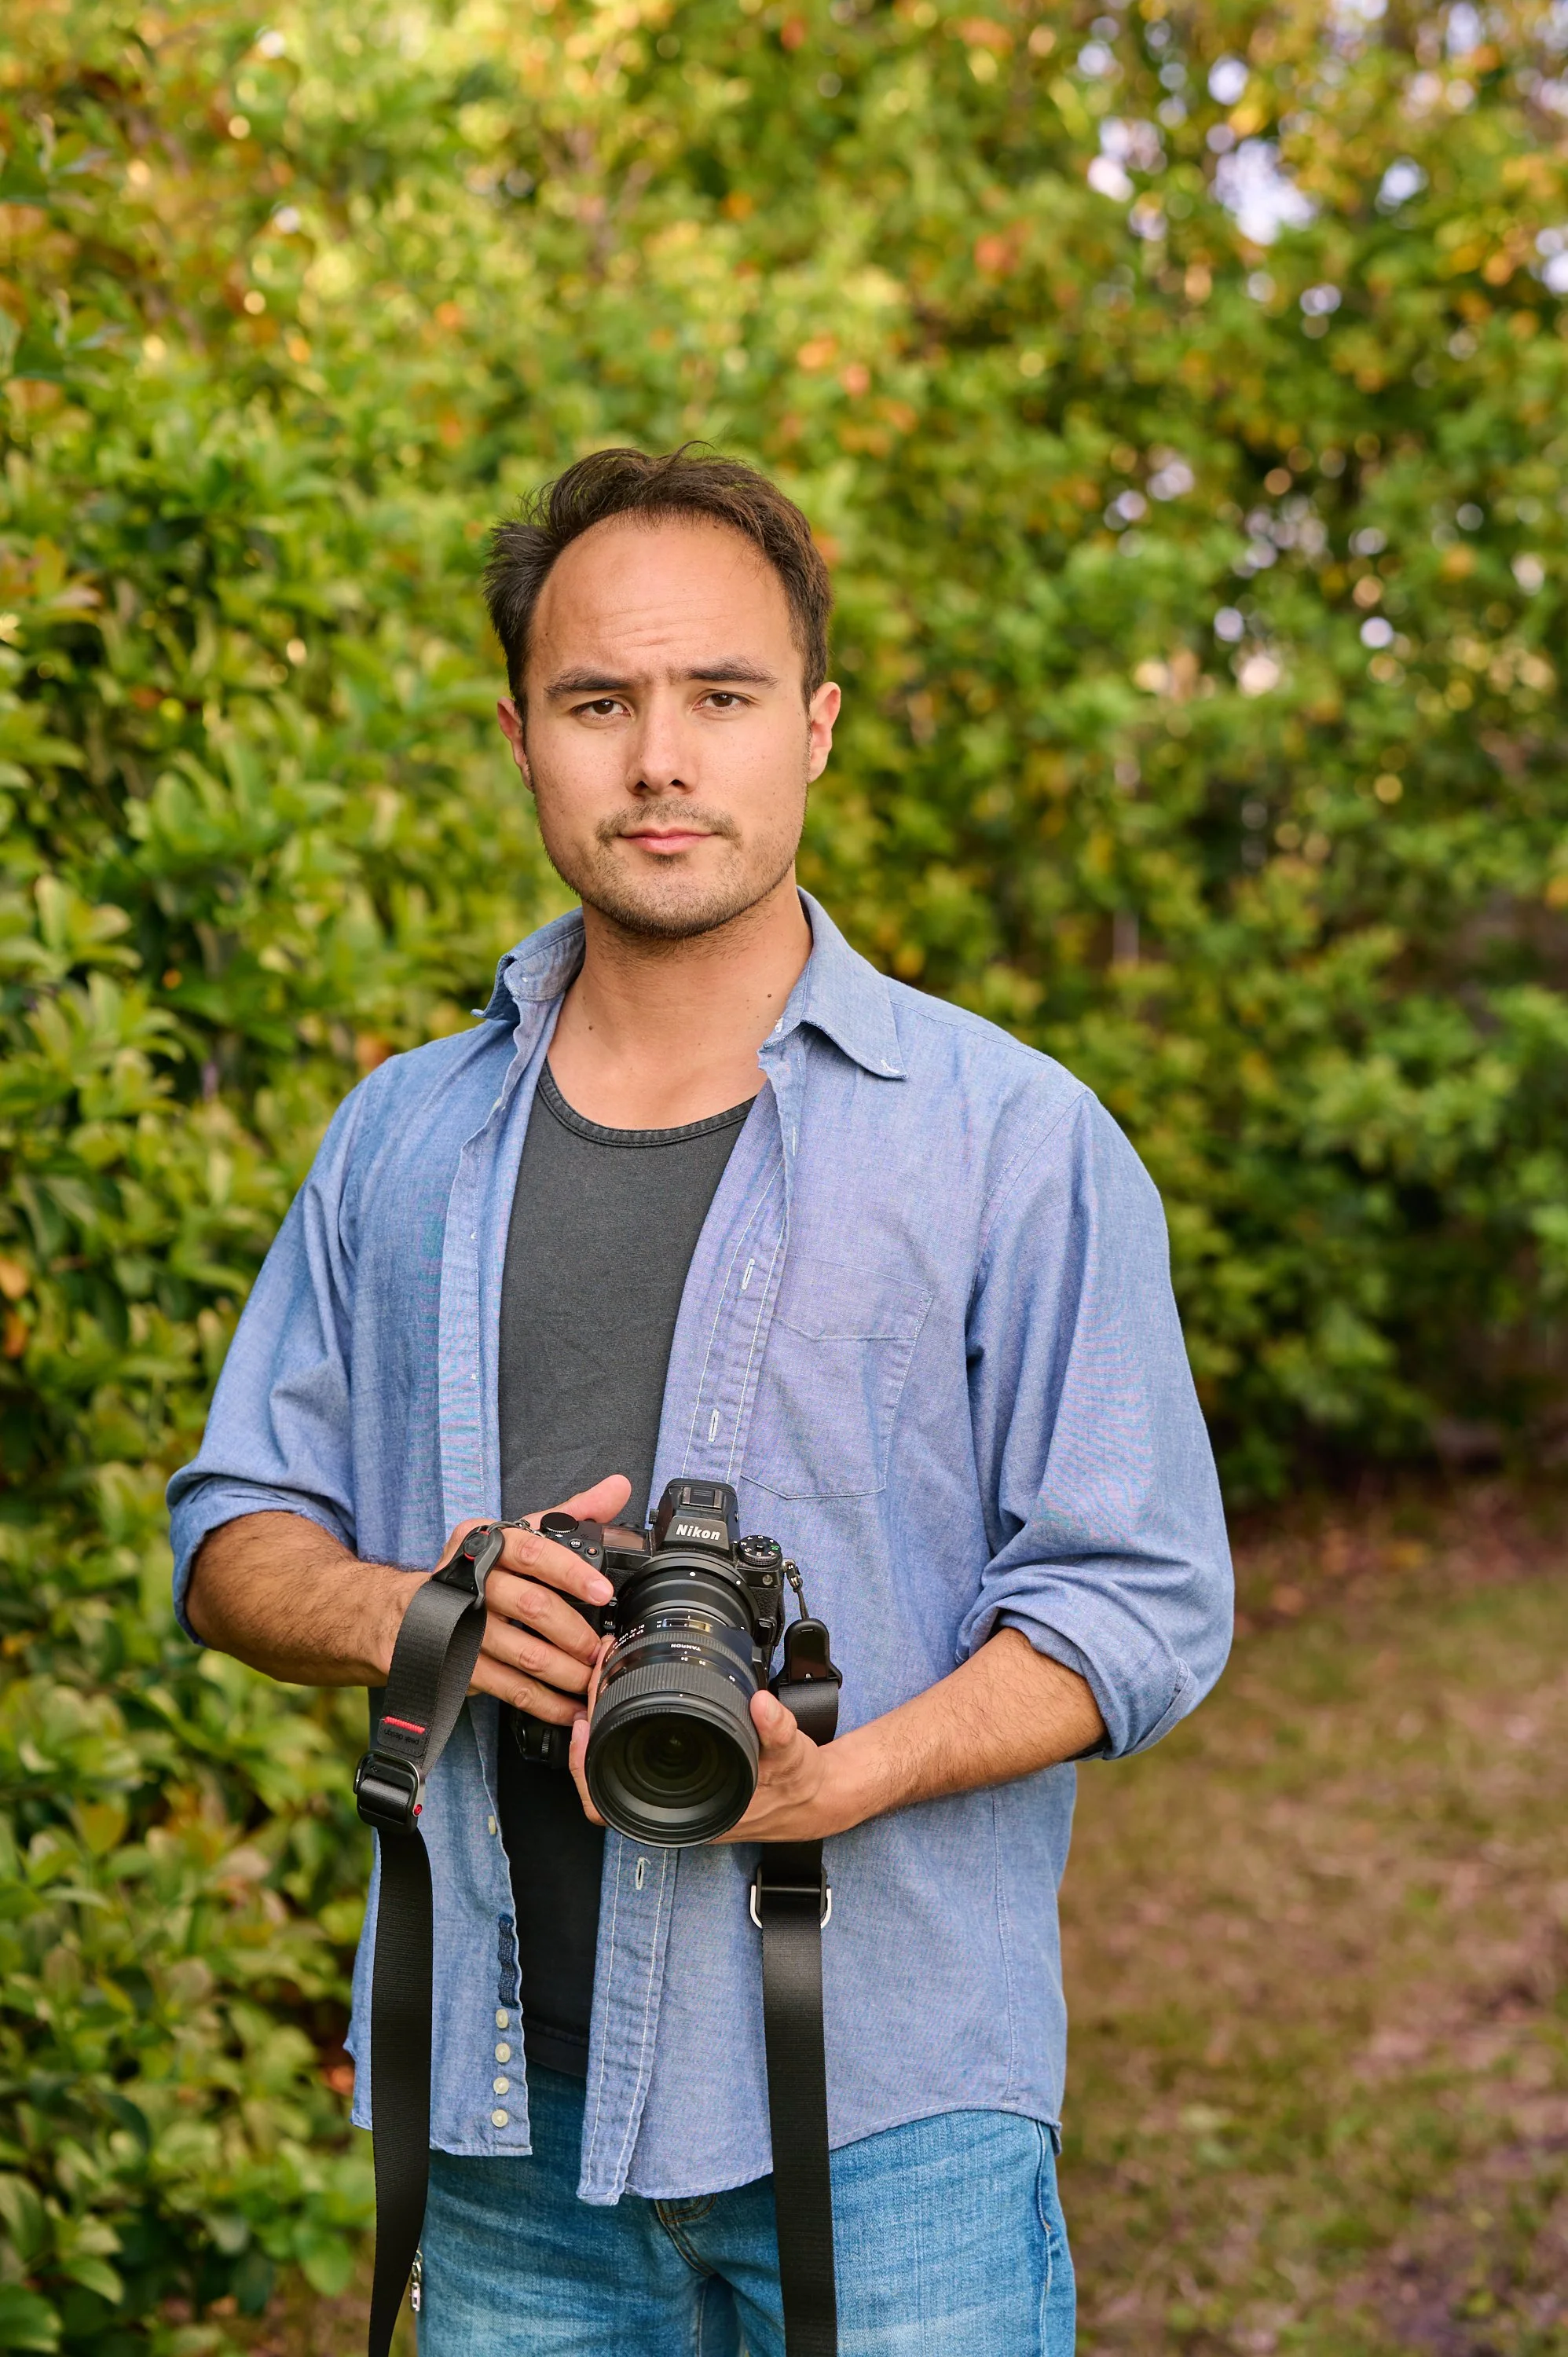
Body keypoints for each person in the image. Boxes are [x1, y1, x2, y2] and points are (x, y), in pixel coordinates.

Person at [169, 446, 1233, 2356]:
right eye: (600, 701)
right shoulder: (399, 1139)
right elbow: (231, 1537)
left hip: (896, 2112)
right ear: (522, 737)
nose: (659, 757)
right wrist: (430, 1608)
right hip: (504, 2120)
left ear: (810, 730)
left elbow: (1139, 1601)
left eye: (719, 696)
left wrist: (852, 1768)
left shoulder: (1011, 1142)